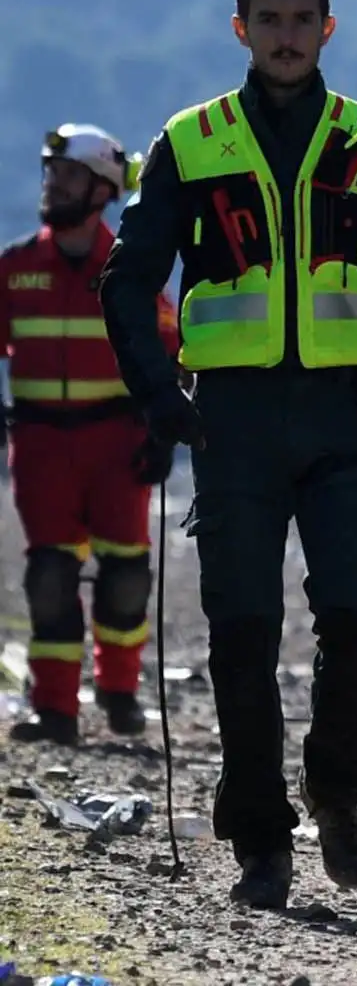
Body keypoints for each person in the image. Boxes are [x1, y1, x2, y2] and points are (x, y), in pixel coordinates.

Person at [98, 0, 357, 909]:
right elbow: (128, 274)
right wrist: (156, 394)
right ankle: (262, 841)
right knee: (241, 638)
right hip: (230, 427)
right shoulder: (192, 141)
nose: (284, 36)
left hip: (347, 420)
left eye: (301, 20)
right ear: (242, 29)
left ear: (327, 29)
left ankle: (339, 789)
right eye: (267, 20)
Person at [2, 124, 181, 746]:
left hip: (116, 446)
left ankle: (120, 689)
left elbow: (170, 353)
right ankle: (55, 708)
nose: (54, 185)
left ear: (104, 190)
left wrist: (164, 432)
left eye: (70, 175)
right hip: (40, 448)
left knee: (126, 575)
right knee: (49, 577)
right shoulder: (16, 267)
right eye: (51, 174)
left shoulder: (129, 272)